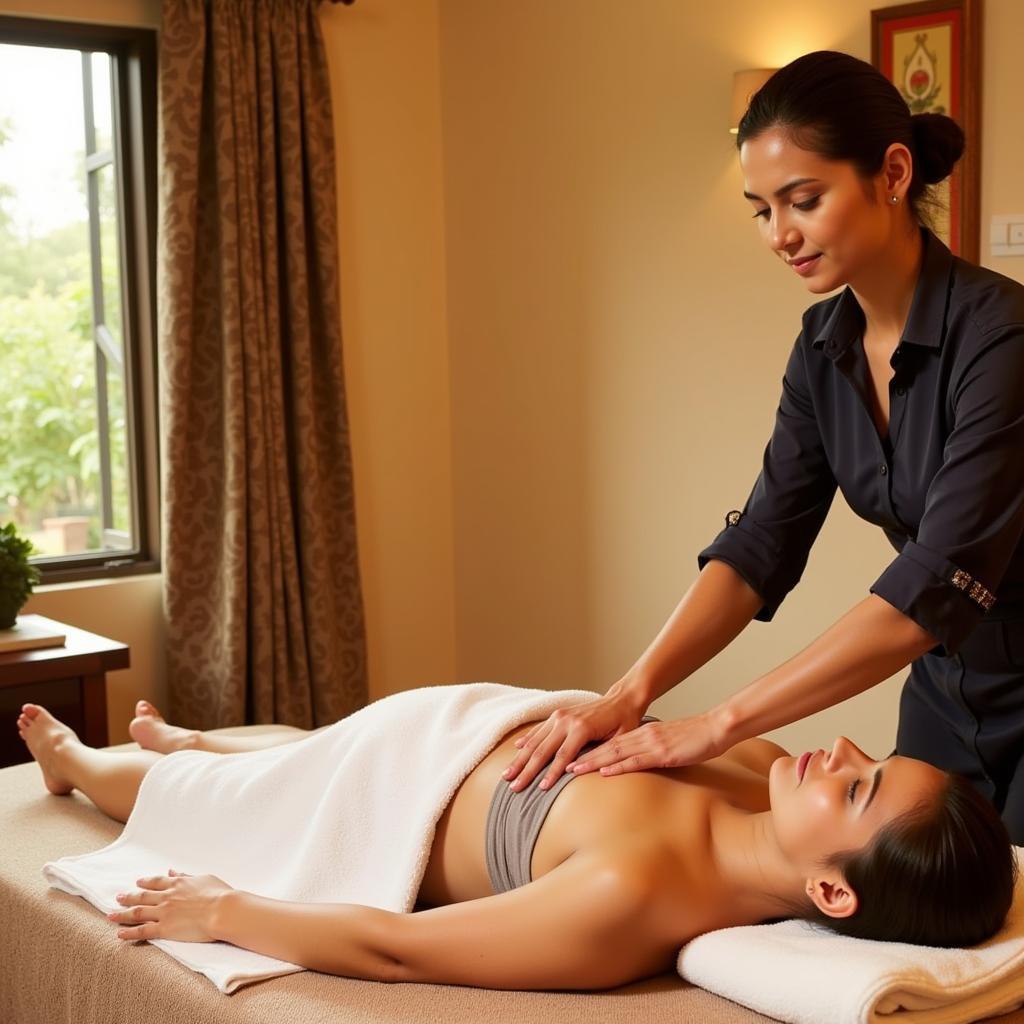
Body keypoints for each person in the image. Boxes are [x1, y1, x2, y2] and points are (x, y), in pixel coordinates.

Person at [505, 51, 1024, 844]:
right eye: (760, 210)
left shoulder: (1002, 339)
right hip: (948, 698)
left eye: (803, 201)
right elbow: (762, 542)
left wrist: (718, 725)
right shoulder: (824, 346)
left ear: (891, 174)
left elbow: (933, 586)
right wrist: (629, 692)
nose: (780, 235)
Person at [16, 690, 1015, 990]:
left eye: (860, 784)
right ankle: (200, 742)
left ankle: (77, 764)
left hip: (386, 787)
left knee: (190, 792)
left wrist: (223, 910)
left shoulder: (636, 897)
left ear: (832, 895)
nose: (837, 750)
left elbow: (398, 949)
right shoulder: (760, 765)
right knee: (255, 761)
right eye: (867, 751)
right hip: (446, 720)